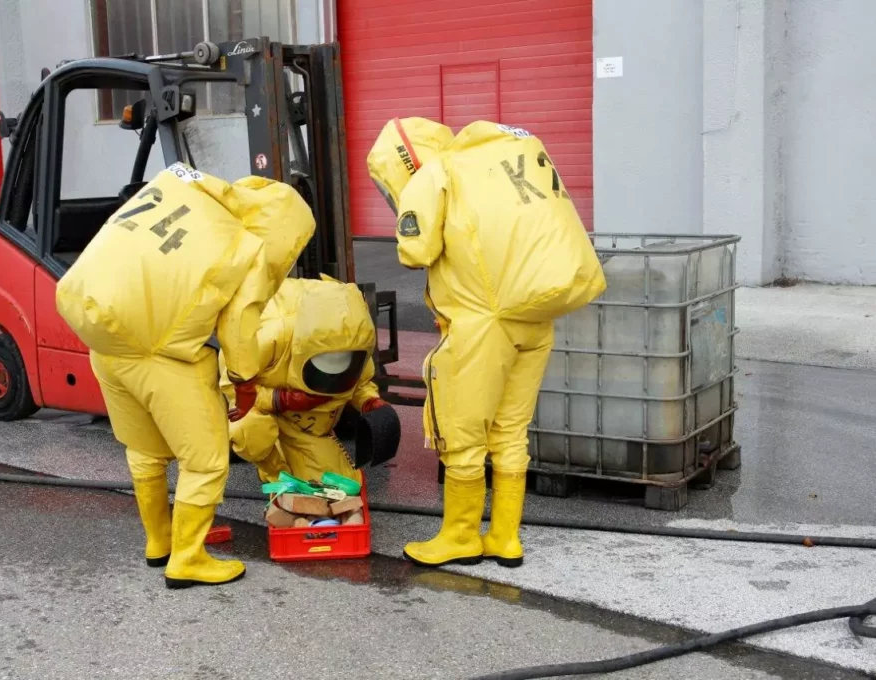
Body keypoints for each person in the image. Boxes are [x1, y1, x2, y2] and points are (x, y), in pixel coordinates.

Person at [56, 163, 314, 588]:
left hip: (104, 344)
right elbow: (238, 327)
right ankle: (189, 558)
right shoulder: (249, 248)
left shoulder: (188, 197)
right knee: (207, 460)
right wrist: (245, 382)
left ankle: (159, 542)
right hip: (159, 356)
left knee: (146, 449)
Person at [367, 118, 606, 568]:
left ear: (403, 162)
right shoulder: (485, 167)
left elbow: (414, 252)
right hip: (534, 319)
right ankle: (504, 537)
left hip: (480, 326)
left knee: (462, 432)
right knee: (510, 430)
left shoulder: (434, 174)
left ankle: (460, 536)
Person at [221, 274, 388, 485]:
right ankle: (276, 473)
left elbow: (361, 383)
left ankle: (298, 462)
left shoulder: (357, 343)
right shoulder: (268, 337)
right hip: (262, 411)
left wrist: (370, 401)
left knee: (341, 484)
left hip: (308, 425)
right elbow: (231, 383)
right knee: (246, 428)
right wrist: (280, 399)